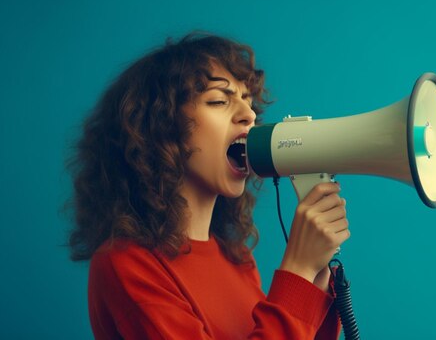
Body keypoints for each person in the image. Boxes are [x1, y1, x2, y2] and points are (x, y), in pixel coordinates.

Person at [67, 32, 350, 339]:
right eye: (218, 100)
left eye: (249, 102)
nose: (249, 115)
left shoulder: (236, 258)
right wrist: (297, 271)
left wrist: (312, 283)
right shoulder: (124, 264)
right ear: (162, 128)